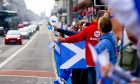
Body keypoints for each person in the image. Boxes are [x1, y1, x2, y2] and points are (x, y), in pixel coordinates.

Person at [57, 20, 100, 84]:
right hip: (78, 64)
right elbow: (72, 35)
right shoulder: (80, 34)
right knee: (76, 78)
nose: (83, 28)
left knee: (84, 79)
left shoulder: (93, 36)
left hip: (88, 64)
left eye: (85, 27)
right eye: (83, 26)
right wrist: (63, 38)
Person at [94, 16, 117, 84]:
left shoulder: (102, 44)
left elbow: (104, 65)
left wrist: (101, 79)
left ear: (99, 27)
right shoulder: (112, 39)